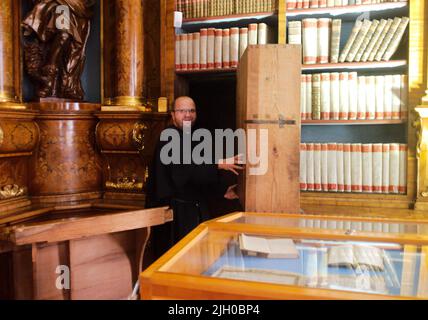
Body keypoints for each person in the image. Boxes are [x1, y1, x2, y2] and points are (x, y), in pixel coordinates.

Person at [146, 96, 243, 258]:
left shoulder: (191, 137)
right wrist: (218, 164)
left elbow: (197, 178)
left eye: (191, 110)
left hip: (192, 209)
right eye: (182, 111)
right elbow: (184, 171)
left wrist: (221, 192)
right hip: (176, 215)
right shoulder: (169, 135)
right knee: (179, 261)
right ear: (173, 115)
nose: (188, 115)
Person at [22, 0, 94, 99]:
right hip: (60, 7)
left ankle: (54, 80)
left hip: (77, 9)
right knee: (63, 34)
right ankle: (50, 76)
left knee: (74, 48)